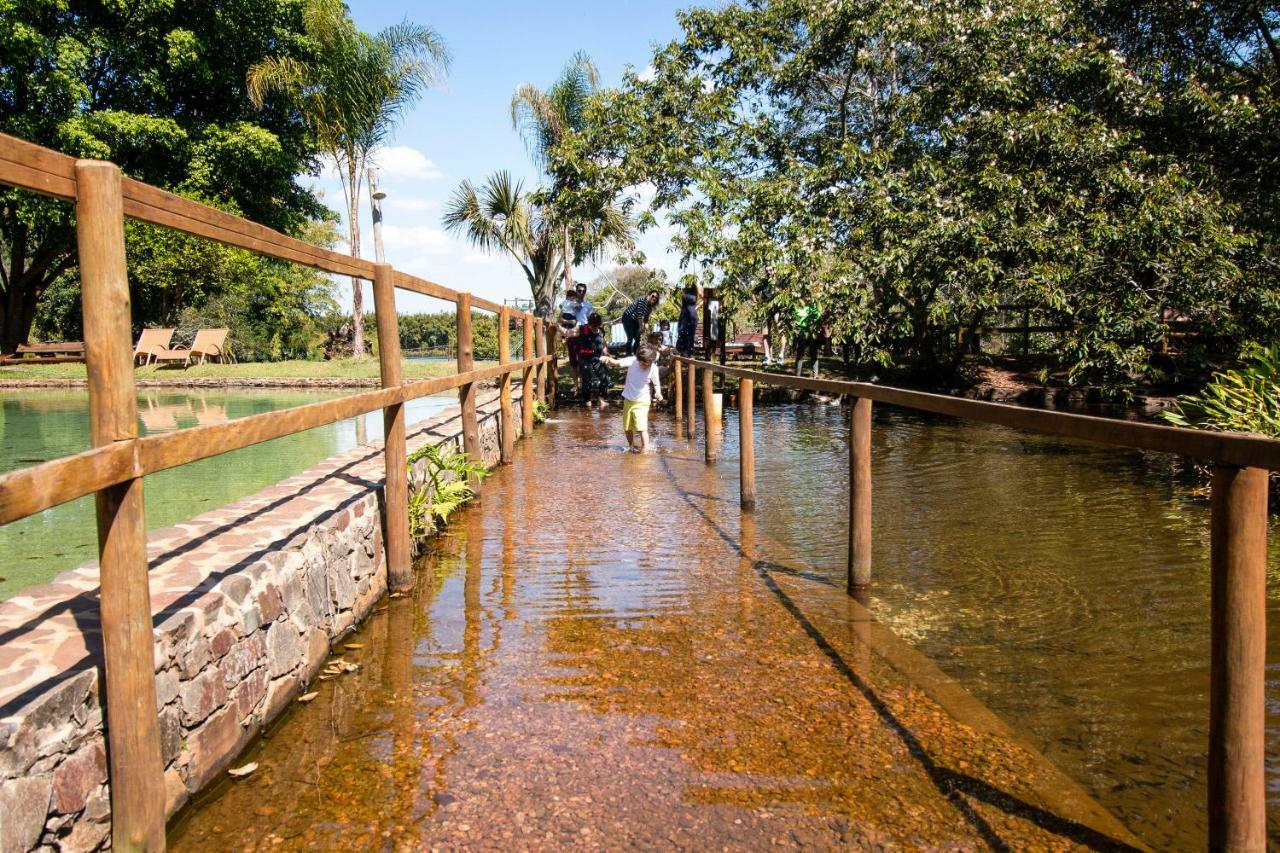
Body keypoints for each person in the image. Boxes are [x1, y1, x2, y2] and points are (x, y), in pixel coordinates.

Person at [602, 345, 663, 452]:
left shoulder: (653, 368)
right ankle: (631, 447)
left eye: (646, 364)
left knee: (641, 427)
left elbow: (656, 384)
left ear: (651, 361)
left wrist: (658, 393)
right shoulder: (633, 361)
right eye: (641, 363)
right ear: (638, 359)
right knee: (627, 427)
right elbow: (616, 362)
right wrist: (607, 359)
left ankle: (646, 449)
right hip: (628, 400)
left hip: (642, 401)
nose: (643, 366)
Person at [577, 312, 610, 407]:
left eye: (596, 326)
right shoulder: (582, 329)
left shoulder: (601, 331)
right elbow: (569, 333)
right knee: (587, 380)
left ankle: (601, 398)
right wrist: (559, 327)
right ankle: (587, 401)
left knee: (605, 378)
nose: (595, 328)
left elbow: (603, 343)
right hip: (585, 358)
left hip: (597, 358)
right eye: (593, 326)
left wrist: (606, 353)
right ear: (589, 323)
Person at [621, 289, 660, 355]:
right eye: (653, 296)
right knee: (630, 337)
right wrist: (641, 327)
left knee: (638, 337)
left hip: (636, 320)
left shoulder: (649, 307)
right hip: (628, 317)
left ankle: (636, 353)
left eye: (656, 298)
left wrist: (648, 331)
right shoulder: (642, 300)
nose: (654, 298)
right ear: (649, 295)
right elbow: (639, 316)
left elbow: (646, 320)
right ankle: (628, 355)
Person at [676, 282, 699, 356]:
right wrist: (681, 307)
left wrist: (697, 307)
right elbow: (675, 299)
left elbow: (703, 298)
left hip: (692, 314)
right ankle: (682, 350)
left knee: (691, 333)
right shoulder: (683, 290)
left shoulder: (696, 290)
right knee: (682, 331)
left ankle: (689, 351)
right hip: (684, 313)